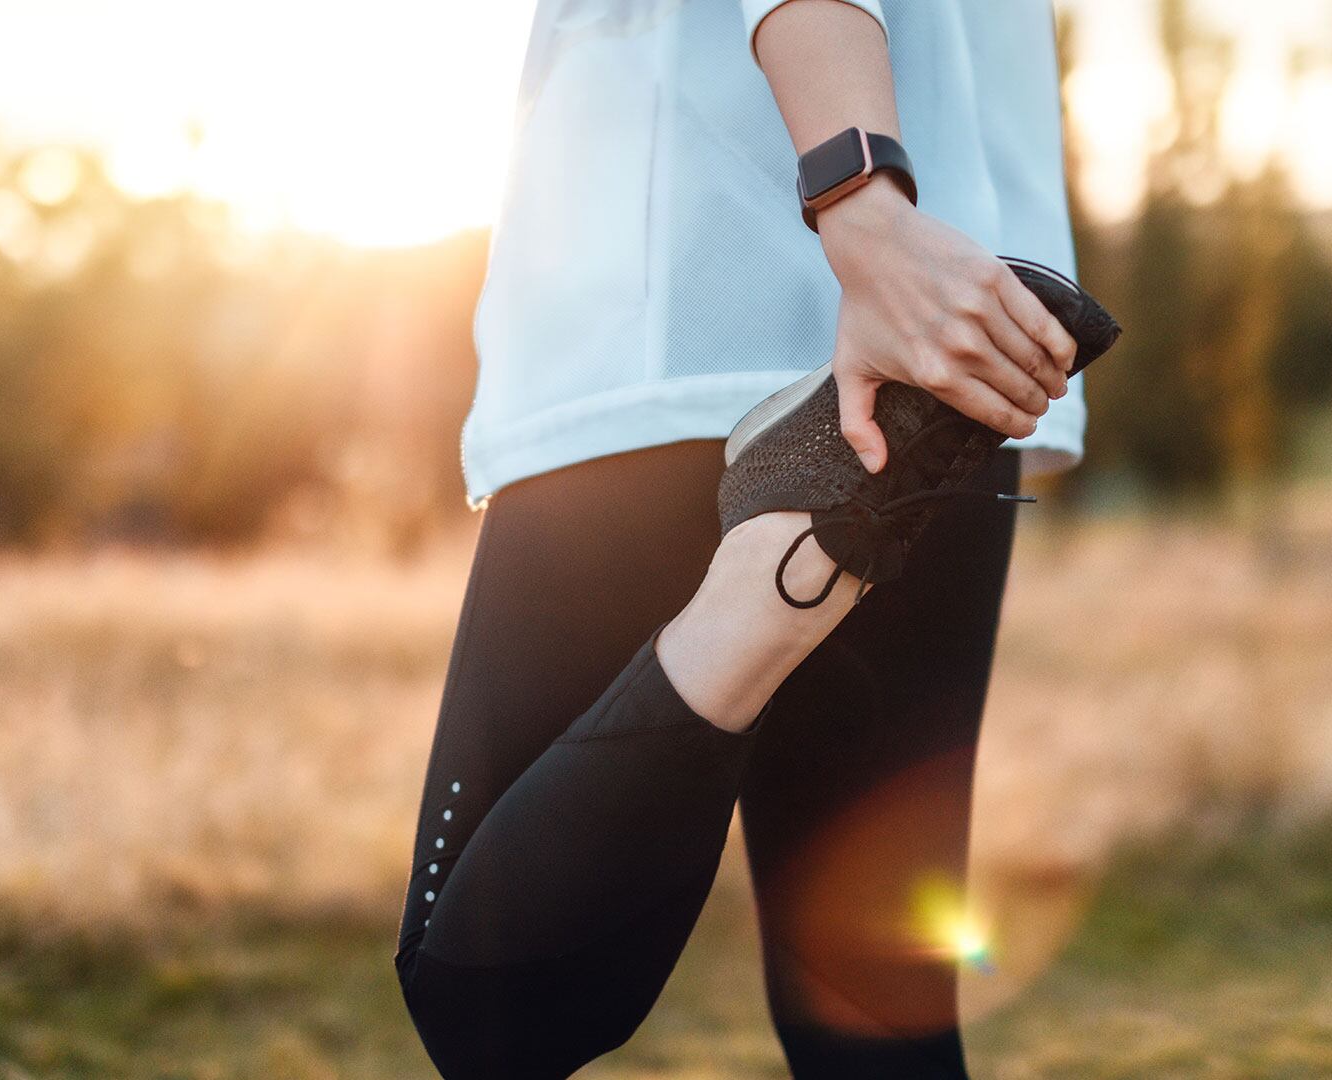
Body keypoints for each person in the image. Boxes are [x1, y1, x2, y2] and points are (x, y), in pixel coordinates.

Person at [393, 2, 1115, 1076]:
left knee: (480, 1005)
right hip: (956, 351)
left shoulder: (849, 220)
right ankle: (813, 551)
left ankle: (756, 601)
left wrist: (861, 199)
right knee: (872, 1019)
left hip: (670, 312)